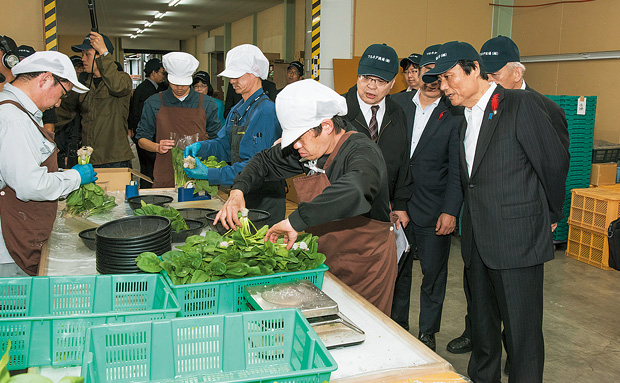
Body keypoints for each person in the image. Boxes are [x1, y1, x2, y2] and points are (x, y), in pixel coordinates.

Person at [422, 41, 569, 383]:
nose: (443, 86)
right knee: (484, 336)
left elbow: (553, 162)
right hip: (477, 243)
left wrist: (548, 215)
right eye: (439, 80)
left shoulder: (520, 105)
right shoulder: (463, 119)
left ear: (474, 69)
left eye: (448, 77)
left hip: (518, 243)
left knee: (522, 339)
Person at [215, 79, 398, 315]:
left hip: (366, 264)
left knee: (364, 324)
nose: (296, 146)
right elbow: (263, 161)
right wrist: (238, 191)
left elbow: (354, 188)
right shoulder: (308, 149)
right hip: (325, 257)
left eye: (301, 138)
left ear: (327, 126)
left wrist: (296, 220)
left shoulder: (363, 152)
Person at [390, 44, 464, 351]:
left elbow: (459, 168)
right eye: (426, 72)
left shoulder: (456, 112)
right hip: (397, 207)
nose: (432, 79)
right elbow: (388, 158)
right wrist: (395, 204)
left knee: (433, 274)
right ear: (416, 73)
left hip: (435, 211)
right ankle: (397, 324)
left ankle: (427, 331)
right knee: (398, 270)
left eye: (438, 74)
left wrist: (450, 210)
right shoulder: (396, 105)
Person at [0, 51, 95, 277]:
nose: (59, 102)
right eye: (62, 93)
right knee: (17, 308)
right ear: (44, 79)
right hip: (9, 243)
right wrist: (75, 177)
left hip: (20, 229)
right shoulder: (12, 119)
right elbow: (30, 185)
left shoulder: (23, 114)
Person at [183, 44, 285, 228]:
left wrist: (210, 173)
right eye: (231, 76)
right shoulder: (238, 109)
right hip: (243, 192)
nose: (231, 81)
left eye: (237, 75)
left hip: (263, 200)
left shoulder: (266, 112)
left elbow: (254, 165)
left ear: (254, 73)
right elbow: (224, 145)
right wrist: (202, 147)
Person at [342, 43, 412, 229]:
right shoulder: (339, 112)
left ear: (392, 84)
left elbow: (403, 162)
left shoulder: (397, 113)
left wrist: (400, 204)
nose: (371, 87)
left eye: (380, 81)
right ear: (357, 76)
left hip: (384, 211)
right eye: (366, 78)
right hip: (344, 210)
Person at [136, 52, 221, 188]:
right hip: (165, 172)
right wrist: (157, 147)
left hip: (198, 174)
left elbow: (218, 139)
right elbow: (141, 139)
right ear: (167, 78)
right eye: (175, 83)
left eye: (184, 83)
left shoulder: (207, 103)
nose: (179, 88)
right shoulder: (154, 102)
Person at [56, 32, 134, 168]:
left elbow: (117, 88)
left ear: (100, 56)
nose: (83, 59)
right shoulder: (84, 83)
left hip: (115, 159)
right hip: (88, 158)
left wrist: (104, 53)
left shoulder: (122, 79)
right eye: (82, 55)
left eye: (87, 54)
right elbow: (65, 111)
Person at [128, 58, 166, 188]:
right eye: (161, 73)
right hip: (147, 136)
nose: (163, 76)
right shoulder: (148, 91)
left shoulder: (145, 87)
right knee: (149, 167)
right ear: (153, 73)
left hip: (144, 134)